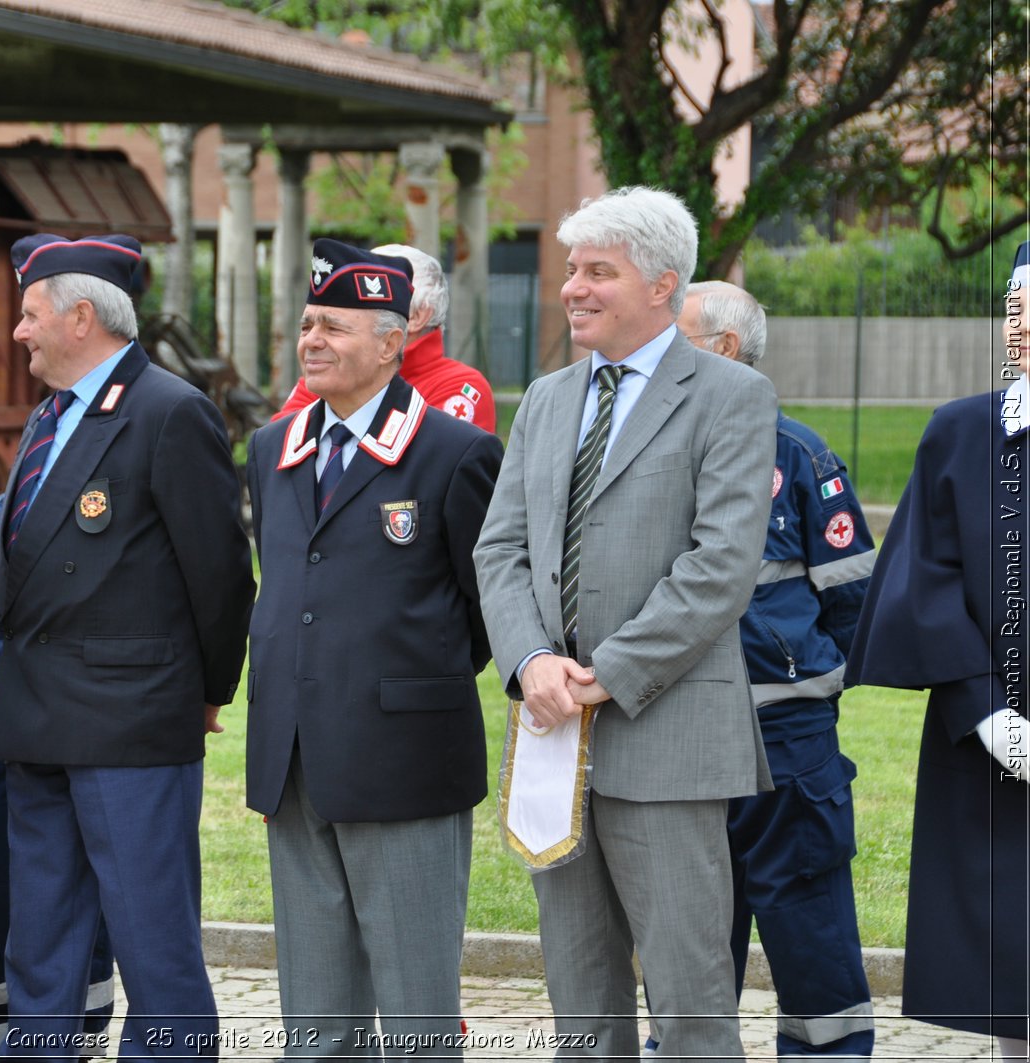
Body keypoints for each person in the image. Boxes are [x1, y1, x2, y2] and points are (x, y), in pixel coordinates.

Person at [472, 186, 777, 1059]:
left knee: (687, 994)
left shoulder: (731, 396)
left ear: (662, 285)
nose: (573, 287)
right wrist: (532, 658)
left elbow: (720, 565)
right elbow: (500, 552)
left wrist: (604, 672)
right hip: (551, 736)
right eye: (571, 269)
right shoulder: (547, 397)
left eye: (598, 271)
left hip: (667, 732)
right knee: (579, 989)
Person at [0, 233, 254, 1061]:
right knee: (41, 942)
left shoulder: (170, 411)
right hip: (36, 721)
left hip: (132, 726)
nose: (19, 331)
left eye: (30, 315)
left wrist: (203, 694)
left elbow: (221, 576)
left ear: (80, 316)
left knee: (152, 940)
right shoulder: (48, 413)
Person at [244, 238, 503, 1058]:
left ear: (392, 343)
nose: (311, 340)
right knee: (316, 1024)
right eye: (308, 322)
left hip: (405, 759)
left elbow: (485, 608)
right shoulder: (270, 450)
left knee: (418, 1020)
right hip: (294, 762)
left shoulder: (454, 452)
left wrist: (402, 685)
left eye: (336, 326)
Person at [642, 281, 875, 1058]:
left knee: (809, 926)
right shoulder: (645, 450)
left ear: (724, 349)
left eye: (673, 336)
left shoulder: (800, 453)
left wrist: (801, 689)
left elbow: (853, 602)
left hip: (786, 743)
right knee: (688, 938)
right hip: (674, 736)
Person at [845, 242, 1030, 1062]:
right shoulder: (961, 435)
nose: (1019, 323)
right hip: (992, 748)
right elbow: (925, 581)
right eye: (1012, 305)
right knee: (1010, 973)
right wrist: (988, 714)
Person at [0, 496, 115, 1056]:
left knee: (91, 879)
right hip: (8, 726)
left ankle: (82, 1027)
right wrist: (67, 560)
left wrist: (32, 561)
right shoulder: (15, 497)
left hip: (100, 721)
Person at [279, 243, 497, 432]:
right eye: (307, 326)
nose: (313, 341)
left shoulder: (457, 385)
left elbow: (420, 466)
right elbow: (278, 453)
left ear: (417, 315)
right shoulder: (334, 373)